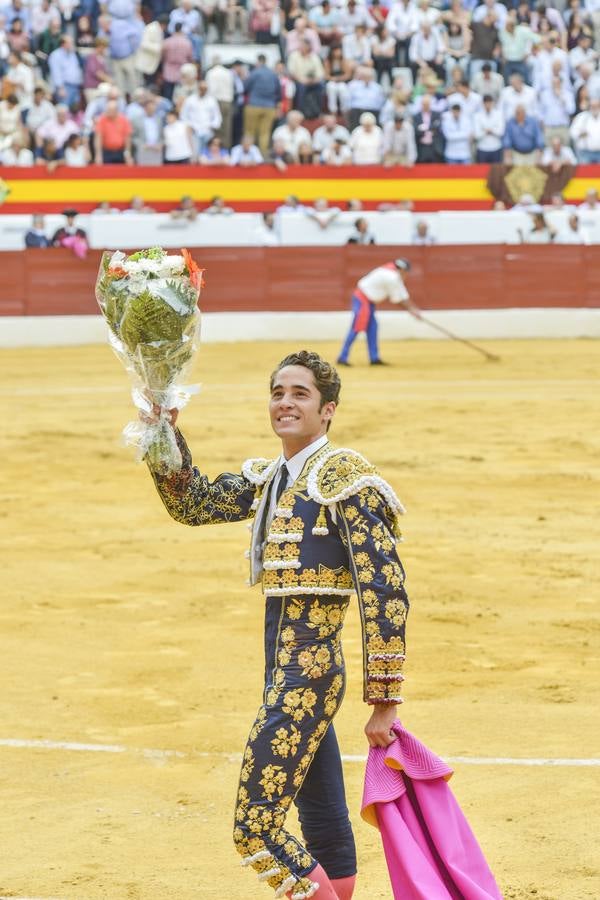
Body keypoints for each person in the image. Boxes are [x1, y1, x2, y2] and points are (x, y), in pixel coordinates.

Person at [145, 349, 409, 900]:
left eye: (300, 394)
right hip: (282, 674)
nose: (285, 403)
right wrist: (162, 436)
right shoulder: (270, 480)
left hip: (306, 680)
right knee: (321, 814)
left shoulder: (346, 482)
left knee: (255, 831)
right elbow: (194, 504)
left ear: (328, 409)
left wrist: (385, 699)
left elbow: (384, 591)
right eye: (278, 393)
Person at [337, 259, 420, 366]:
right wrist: (412, 310)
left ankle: (374, 358)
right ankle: (342, 357)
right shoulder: (392, 277)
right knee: (356, 327)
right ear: (403, 270)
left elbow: (401, 293)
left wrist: (413, 309)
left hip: (368, 301)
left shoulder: (391, 272)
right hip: (363, 300)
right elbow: (397, 299)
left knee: (372, 328)